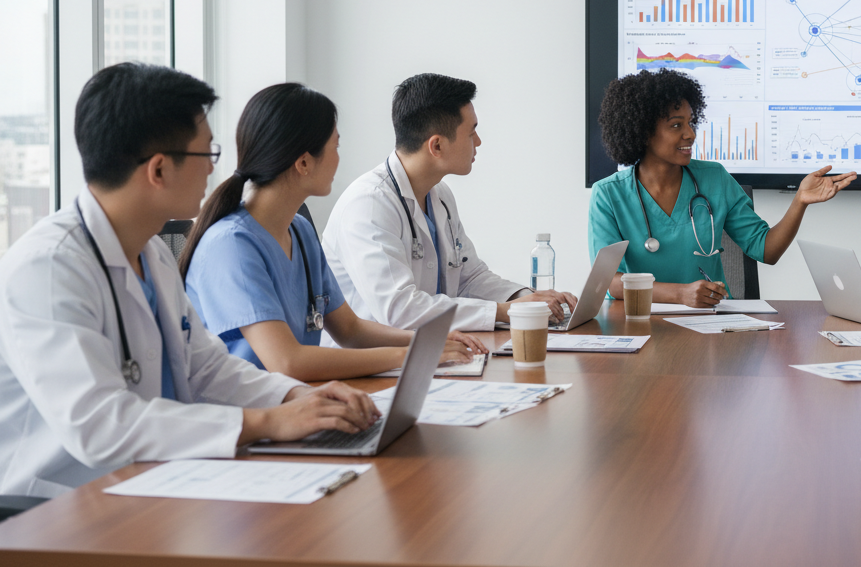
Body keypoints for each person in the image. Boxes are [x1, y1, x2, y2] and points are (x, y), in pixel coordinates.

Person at [0, 63, 379, 498]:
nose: (213, 171)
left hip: (152, 482)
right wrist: (265, 422)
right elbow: (100, 426)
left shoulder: (151, 252)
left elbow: (207, 368)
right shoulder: (47, 268)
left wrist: (295, 399)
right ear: (158, 170)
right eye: (207, 155)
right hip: (52, 509)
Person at [181, 84, 482, 381]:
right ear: (303, 163)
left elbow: (350, 330)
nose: (339, 158)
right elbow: (287, 362)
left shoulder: (299, 231)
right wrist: (415, 354)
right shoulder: (231, 245)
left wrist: (426, 341)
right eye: (335, 146)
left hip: (299, 399)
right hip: (247, 417)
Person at [324, 74, 577, 332]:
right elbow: (399, 311)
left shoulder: (440, 195)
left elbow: (470, 277)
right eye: (471, 132)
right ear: (437, 146)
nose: (478, 142)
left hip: (431, 349)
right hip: (372, 365)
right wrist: (506, 311)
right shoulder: (369, 205)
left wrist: (523, 299)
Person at [588, 70, 855, 307]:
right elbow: (609, 282)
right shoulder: (609, 195)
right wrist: (680, 294)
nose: (690, 134)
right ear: (643, 132)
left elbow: (767, 250)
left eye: (691, 122)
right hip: (637, 321)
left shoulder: (714, 178)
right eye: (676, 125)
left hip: (709, 324)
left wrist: (800, 201)